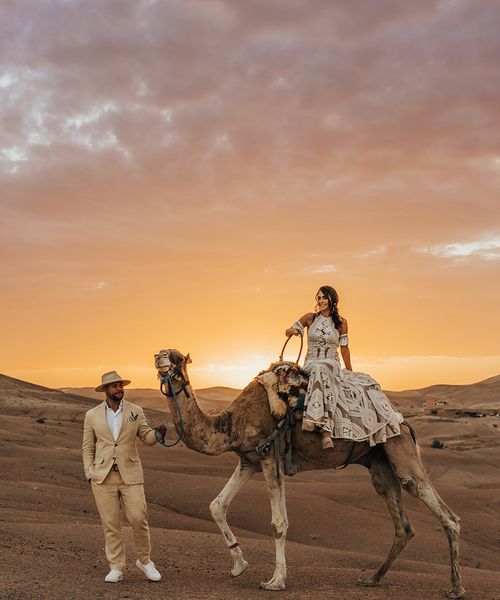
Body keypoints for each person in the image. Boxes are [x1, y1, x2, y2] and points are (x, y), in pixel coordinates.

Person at [285, 285, 404, 450]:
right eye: (318, 298)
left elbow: (344, 348)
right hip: (311, 362)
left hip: (331, 362)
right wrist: (291, 330)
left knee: (323, 368)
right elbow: (290, 329)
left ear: (332, 299)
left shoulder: (341, 323)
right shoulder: (310, 318)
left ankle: (324, 429)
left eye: (324, 297)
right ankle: (317, 424)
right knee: (318, 368)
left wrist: (349, 369)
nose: (321, 301)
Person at [82, 370, 167, 583]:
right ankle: (116, 567)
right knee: (111, 524)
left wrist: (157, 434)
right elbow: (87, 447)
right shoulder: (91, 415)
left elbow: (146, 437)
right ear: (106, 390)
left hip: (131, 476)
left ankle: (145, 562)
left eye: (121, 385)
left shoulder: (135, 411)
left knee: (139, 518)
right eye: (115, 386)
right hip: (102, 477)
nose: (119, 389)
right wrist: (89, 472)